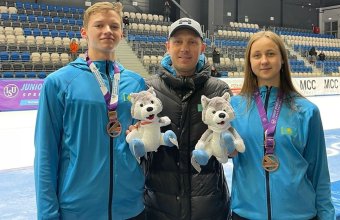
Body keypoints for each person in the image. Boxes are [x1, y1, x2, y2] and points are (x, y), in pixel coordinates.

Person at [34, 2, 146, 220]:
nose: (107, 31)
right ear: (84, 32)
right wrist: (47, 214)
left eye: (114, 26)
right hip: (78, 210)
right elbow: (46, 153)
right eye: (99, 25)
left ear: (122, 34)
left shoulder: (136, 83)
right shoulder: (58, 83)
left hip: (132, 208)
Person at [230, 31, 335, 220]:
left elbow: (319, 173)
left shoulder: (306, 111)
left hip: (298, 215)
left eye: (270, 53)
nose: (264, 61)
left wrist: (327, 216)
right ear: (249, 62)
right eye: (257, 55)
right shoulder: (234, 108)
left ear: (283, 59)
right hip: (246, 214)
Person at [142, 17, 231, 219]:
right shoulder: (149, 89)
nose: (185, 48)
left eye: (192, 42)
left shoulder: (218, 90)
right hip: (160, 208)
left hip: (209, 208)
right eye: (178, 42)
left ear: (202, 48)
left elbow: (228, 146)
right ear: (168, 46)